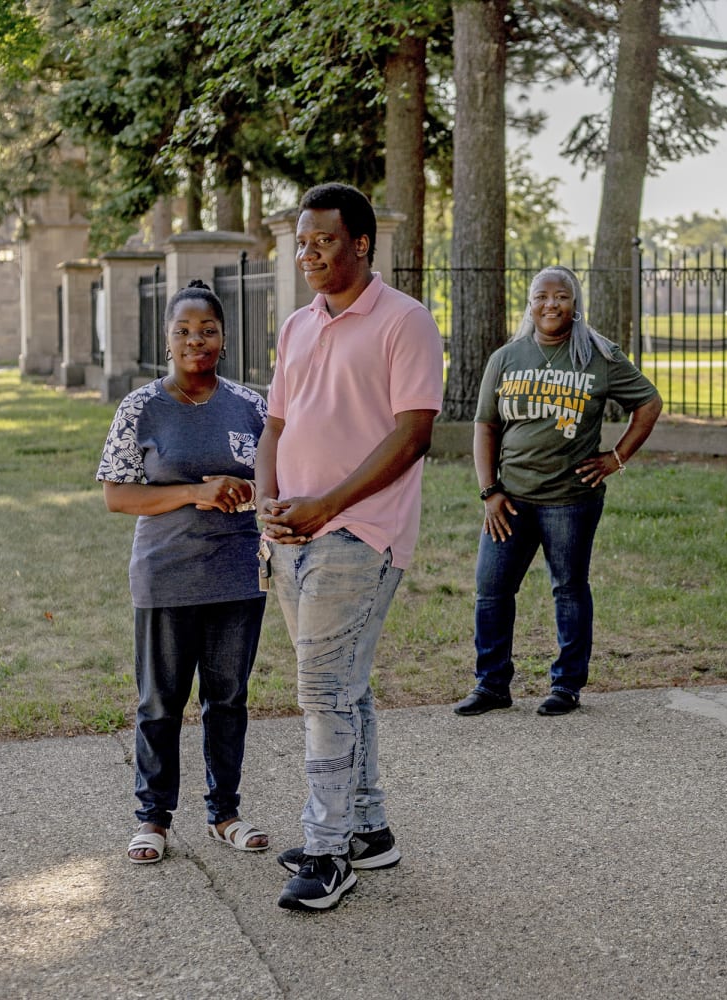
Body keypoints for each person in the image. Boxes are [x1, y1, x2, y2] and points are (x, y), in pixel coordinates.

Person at [256, 183, 444, 912]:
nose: (308, 253)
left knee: (321, 692)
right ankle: (367, 830)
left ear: (361, 243)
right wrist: (270, 504)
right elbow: (275, 423)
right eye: (302, 242)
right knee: (344, 685)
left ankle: (327, 853)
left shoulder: (405, 321)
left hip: (359, 534)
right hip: (292, 534)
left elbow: (414, 431)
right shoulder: (298, 325)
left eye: (323, 241)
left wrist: (326, 505)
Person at [97, 280, 271, 865]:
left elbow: (279, 479)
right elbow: (118, 497)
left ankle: (225, 813)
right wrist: (198, 491)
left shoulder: (252, 406)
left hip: (238, 575)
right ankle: (153, 818)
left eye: (208, 330)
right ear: (166, 340)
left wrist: (249, 491)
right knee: (160, 703)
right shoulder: (142, 407)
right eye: (184, 331)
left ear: (224, 340)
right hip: (166, 575)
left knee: (228, 699)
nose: (196, 340)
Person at [453, 266, 663, 719]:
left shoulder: (599, 356)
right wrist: (489, 490)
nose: (551, 304)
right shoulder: (506, 358)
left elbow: (649, 403)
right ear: (530, 304)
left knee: (568, 588)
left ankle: (566, 685)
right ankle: (491, 685)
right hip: (509, 498)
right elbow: (486, 426)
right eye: (542, 296)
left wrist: (616, 458)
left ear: (575, 304)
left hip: (570, 500)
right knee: (491, 590)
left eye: (562, 296)